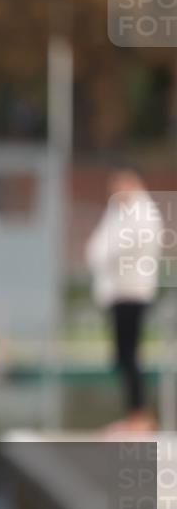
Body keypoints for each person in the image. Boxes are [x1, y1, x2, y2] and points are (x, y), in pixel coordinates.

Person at [86, 168, 163, 434]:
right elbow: (99, 248)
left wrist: (105, 254)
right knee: (123, 356)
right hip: (118, 294)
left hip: (133, 293)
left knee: (130, 356)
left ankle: (140, 417)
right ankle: (136, 415)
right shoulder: (118, 213)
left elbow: (115, 249)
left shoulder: (143, 216)